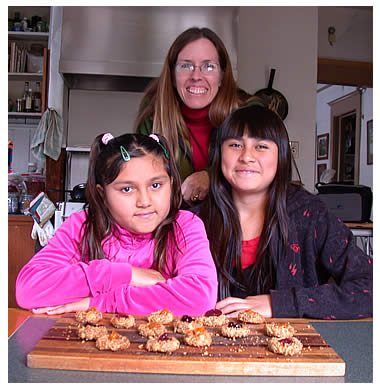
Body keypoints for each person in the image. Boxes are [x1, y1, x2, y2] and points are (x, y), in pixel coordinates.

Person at [198, 104, 373, 320]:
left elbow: (370, 287)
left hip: (297, 347)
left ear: (281, 157)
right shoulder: (194, 220)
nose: (246, 156)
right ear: (218, 154)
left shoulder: (310, 214)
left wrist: (279, 303)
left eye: (261, 146)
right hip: (209, 346)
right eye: (235, 144)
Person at [16, 133, 218, 316]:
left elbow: (200, 299)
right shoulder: (82, 226)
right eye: (127, 189)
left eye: (156, 185)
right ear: (103, 195)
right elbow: (28, 290)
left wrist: (101, 303)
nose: (144, 201)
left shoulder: (185, 225)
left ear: (172, 184)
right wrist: (124, 274)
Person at [134, 27, 261, 205]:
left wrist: (210, 177)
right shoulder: (153, 119)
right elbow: (142, 184)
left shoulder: (249, 113)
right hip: (175, 225)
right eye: (186, 65)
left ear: (222, 75)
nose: (196, 76)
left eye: (208, 66)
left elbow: (266, 172)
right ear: (172, 75)